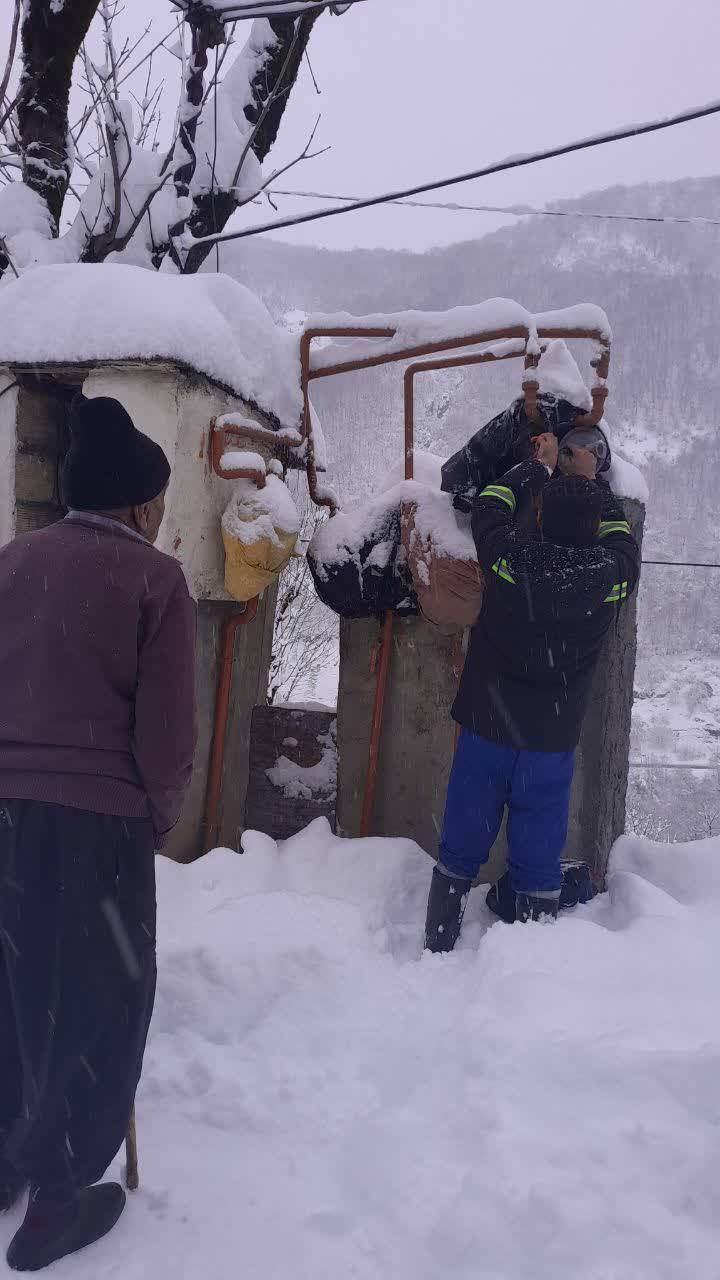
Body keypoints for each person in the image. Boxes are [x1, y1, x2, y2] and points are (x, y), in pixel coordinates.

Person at [0, 395, 196, 1270]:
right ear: (140, 506)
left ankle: (7, 1153)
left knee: (11, 980)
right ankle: (59, 1194)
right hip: (99, 823)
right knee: (97, 1001)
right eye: (158, 502)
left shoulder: (12, 563)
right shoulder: (156, 582)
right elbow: (165, 736)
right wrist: (152, 816)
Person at [424, 432, 639, 952]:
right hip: (550, 740)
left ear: (538, 518)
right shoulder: (606, 578)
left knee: (461, 843)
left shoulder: (510, 561)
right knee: (539, 855)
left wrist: (535, 470)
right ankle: (530, 961)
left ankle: (438, 942)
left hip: (487, 727)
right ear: (594, 530)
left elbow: (489, 509)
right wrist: (593, 486)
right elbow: (625, 551)